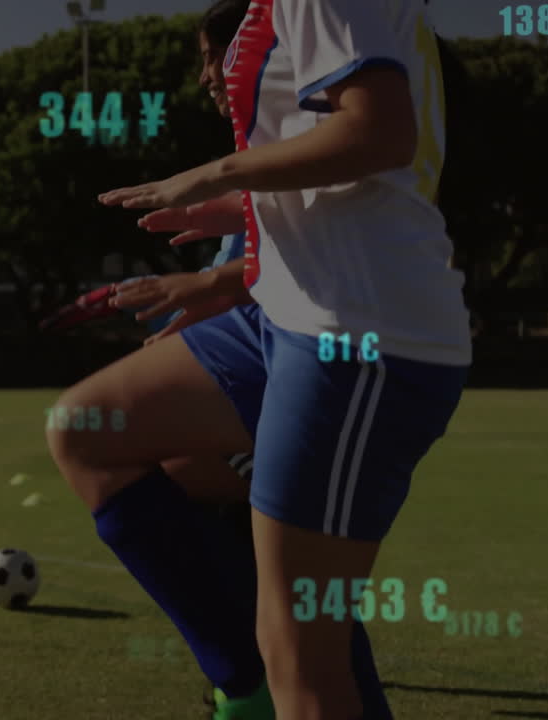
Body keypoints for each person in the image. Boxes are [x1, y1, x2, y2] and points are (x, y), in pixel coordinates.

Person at [54, 0, 471, 718]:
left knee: (304, 665)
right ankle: (241, 686)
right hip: (285, 318)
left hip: (355, 333)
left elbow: (380, 132)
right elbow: (349, 159)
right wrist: (242, 211)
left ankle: (255, 687)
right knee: (87, 426)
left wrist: (216, 175)